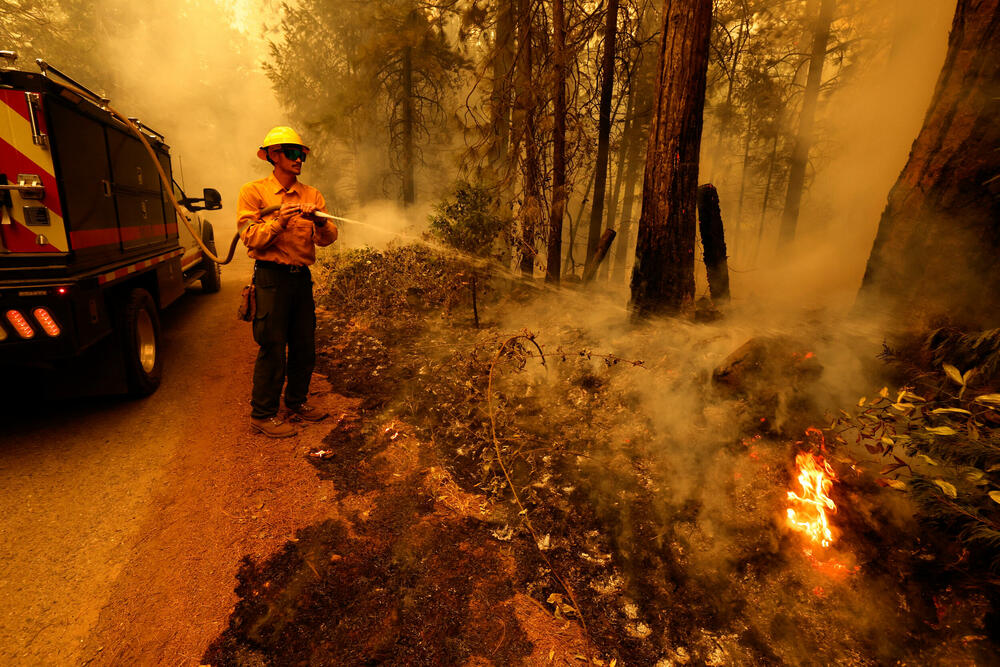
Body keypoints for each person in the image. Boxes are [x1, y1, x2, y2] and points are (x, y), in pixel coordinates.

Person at [237, 126, 337, 438]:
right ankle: (263, 414)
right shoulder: (254, 193)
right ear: (274, 156)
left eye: (302, 154)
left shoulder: (312, 195)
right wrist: (280, 220)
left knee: (305, 345)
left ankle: (296, 403)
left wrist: (319, 220)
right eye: (293, 154)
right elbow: (250, 237)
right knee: (273, 346)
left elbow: (328, 238)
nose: (299, 160)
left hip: (300, 280)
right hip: (271, 279)